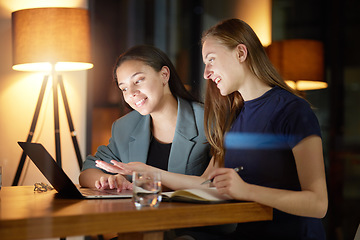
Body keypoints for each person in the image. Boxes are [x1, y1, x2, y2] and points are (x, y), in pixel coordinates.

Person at [96, 19, 328, 240]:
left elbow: (318, 204)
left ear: (240, 53)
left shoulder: (293, 110)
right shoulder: (234, 116)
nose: (206, 73)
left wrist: (245, 190)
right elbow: (207, 183)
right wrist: (146, 172)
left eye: (211, 60)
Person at [79, 45, 211, 191]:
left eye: (138, 80)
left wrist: (149, 173)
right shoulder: (125, 127)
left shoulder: (208, 120)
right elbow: (88, 169)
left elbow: (215, 184)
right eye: (124, 88)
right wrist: (108, 180)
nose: (131, 93)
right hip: (141, 212)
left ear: (164, 75)